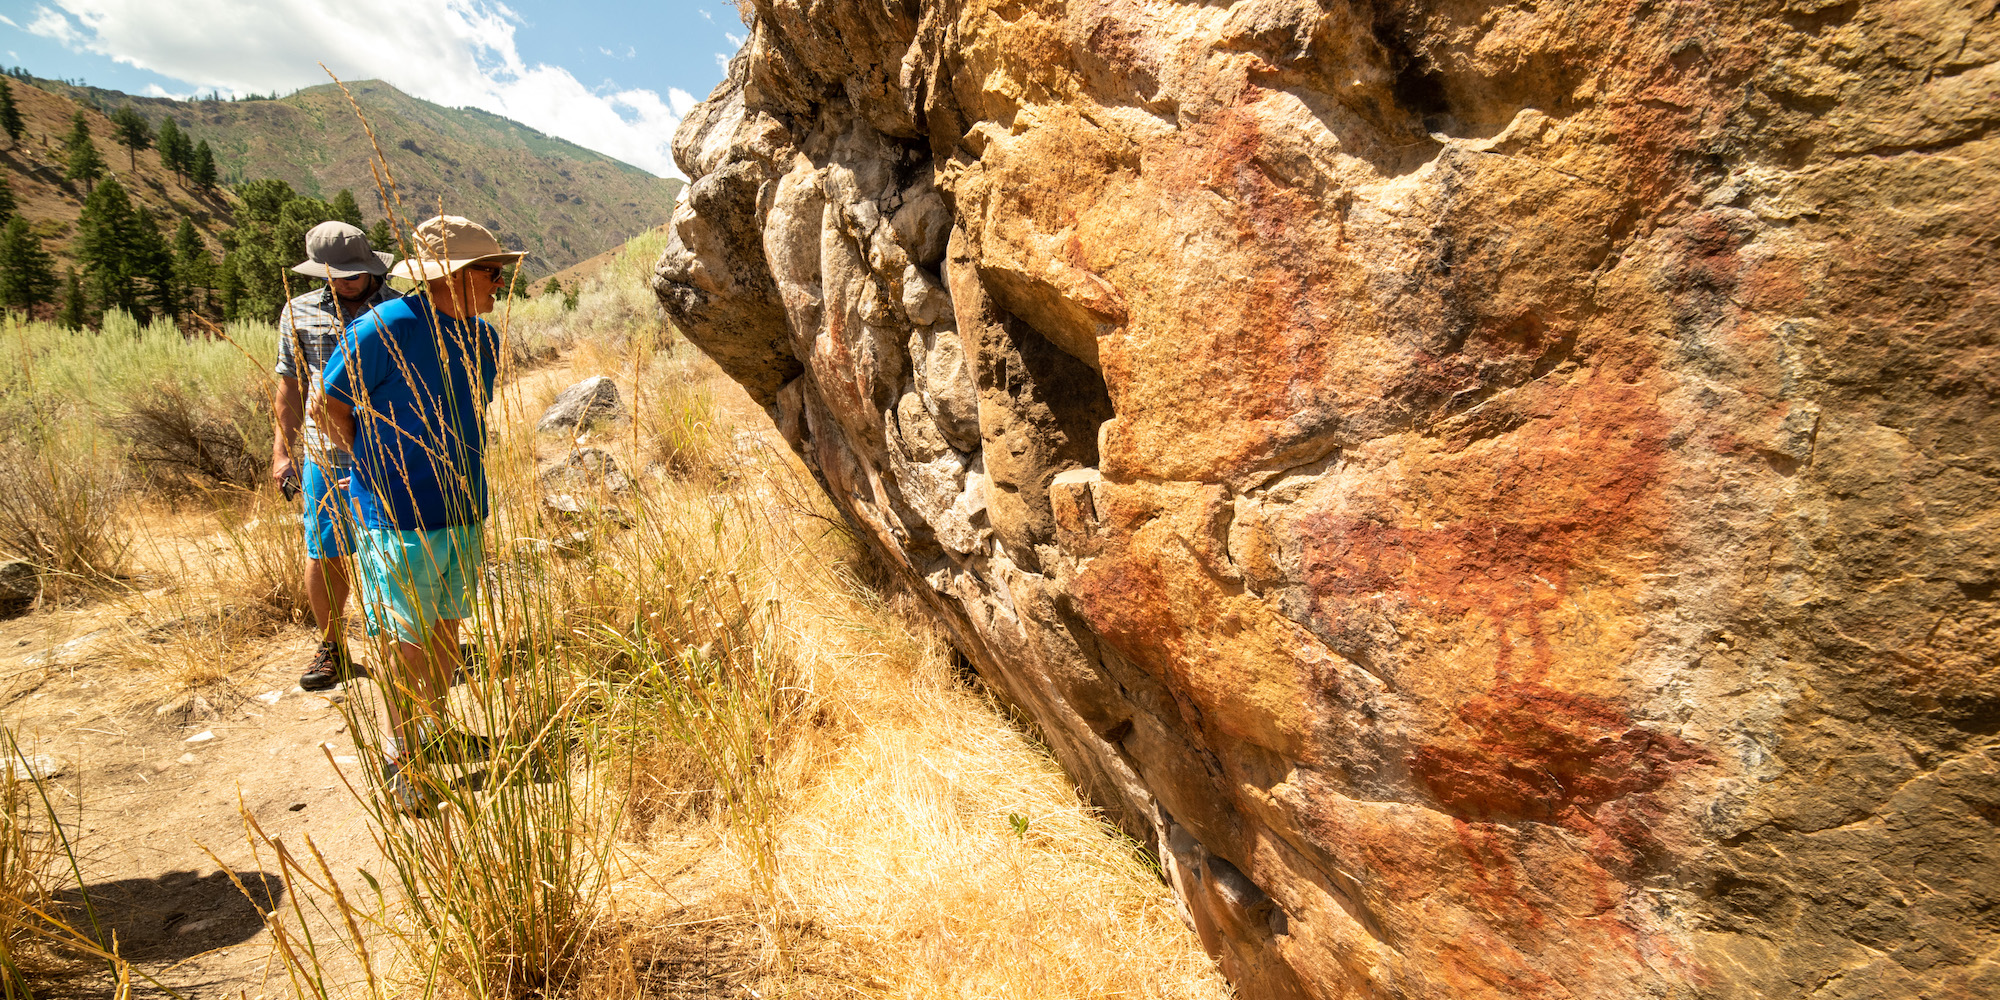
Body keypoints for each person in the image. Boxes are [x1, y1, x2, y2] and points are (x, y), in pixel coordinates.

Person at [319, 215, 520, 814]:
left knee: (446, 630)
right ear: (453, 276)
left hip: (461, 508)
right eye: (490, 272)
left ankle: (429, 736)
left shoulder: (484, 339)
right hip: (395, 513)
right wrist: (372, 460)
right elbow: (326, 402)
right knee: (408, 638)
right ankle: (401, 757)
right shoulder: (384, 327)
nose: (499, 285)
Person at [273, 221, 399, 692]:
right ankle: (332, 648)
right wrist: (282, 452)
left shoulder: (399, 308)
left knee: (393, 553)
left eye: (354, 273)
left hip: (391, 454)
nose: (346, 281)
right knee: (325, 551)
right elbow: (290, 383)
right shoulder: (298, 312)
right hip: (325, 455)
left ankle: (400, 644)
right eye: (336, 274)